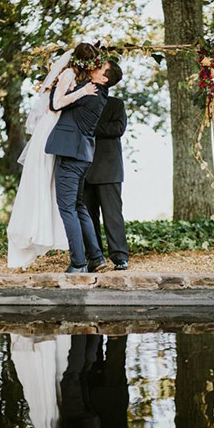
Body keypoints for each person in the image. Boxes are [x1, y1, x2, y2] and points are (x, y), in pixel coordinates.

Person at [7, 43, 101, 270]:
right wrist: (82, 92)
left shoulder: (82, 78)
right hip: (50, 131)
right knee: (42, 185)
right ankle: (31, 236)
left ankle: (71, 249)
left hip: (64, 134)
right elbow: (55, 104)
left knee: (62, 195)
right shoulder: (68, 74)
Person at [45, 59, 112, 273]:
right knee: (78, 206)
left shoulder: (88, 90)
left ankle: (78, 263)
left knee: (67, 208)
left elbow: (56, 103)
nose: (94, 66)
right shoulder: (101, 95)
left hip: (70, 155)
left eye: (100, 67)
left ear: (103, 78)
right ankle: (96, 258)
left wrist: (58, 76)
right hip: (83, 156)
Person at [83, 61, 129, 271]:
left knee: (112, 215)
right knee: (88, 215)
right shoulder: (83, 101)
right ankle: (93, 257)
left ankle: (120, 257)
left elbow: (118, 128)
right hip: (84, 168)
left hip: (109, 169)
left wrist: (90, 126)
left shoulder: (116, 104)